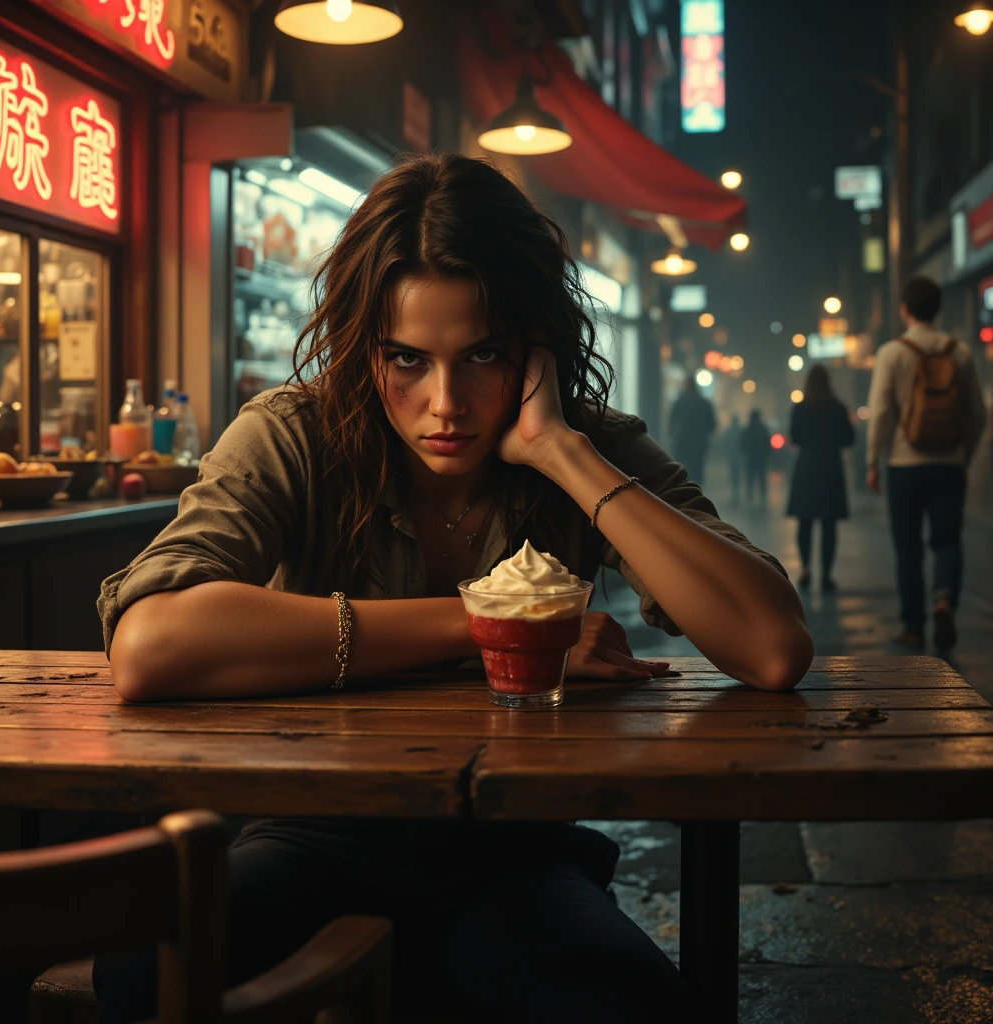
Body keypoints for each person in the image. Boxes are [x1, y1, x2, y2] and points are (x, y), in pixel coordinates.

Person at [94, 154, 813, 1024]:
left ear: (536, 347)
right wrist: (491, 622)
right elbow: (150, 643)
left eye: (483, 355)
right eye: (407, 359)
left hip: (516, 852)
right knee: (142, 964)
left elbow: (772, 645)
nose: (446, 402)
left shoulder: (585, 446)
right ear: (365, 347)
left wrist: (565, 456)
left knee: (629, 1006)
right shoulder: (294, 434)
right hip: (314, 832)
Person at [866, 275, 987, 650]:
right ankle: (944, 598)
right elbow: (978, 414)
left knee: (908, 547)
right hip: (949, 464)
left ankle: (913, 626)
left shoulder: (893, 352)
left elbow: (882, 412)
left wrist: (873, 460)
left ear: (905, 310)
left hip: (904, 465)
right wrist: (963, 457)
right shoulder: (960, 352)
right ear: (938, 309)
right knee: (948, 540)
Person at [786, 366, 855, 591]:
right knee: (829, 524)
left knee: (804, 522)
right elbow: (848, 438)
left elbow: (794, 437)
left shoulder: (800, 408)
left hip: (807, 467)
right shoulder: (837, 408)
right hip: (830, 469)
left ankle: (805, 568)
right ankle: (826, 574)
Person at [668, 375, 716, 485]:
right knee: (698, 469)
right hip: (699, 442)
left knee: (683, 469)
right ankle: (696, 492)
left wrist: (674, 435)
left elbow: (671, 423)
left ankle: (683, 493)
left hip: (682, 442)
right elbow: (712, 425)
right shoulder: (704, 403)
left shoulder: (679, 402)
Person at [741, 409, 771, 505]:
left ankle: (750, 495)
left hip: (751, 457)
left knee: (751, 477)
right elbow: (767, 443)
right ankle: (762, 495)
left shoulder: (748, 429)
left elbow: (743, 443)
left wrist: (746, 453)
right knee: (761, 477)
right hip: (761, 457)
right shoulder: (763, 429)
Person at [720, 413, 744, 504]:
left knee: (733, 471)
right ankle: (736, 487)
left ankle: (735, 487)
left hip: (732, 454)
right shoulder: (740, 431)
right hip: (738, 455)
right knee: (737, 471)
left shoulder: (729, 431)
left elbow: (725, 442)